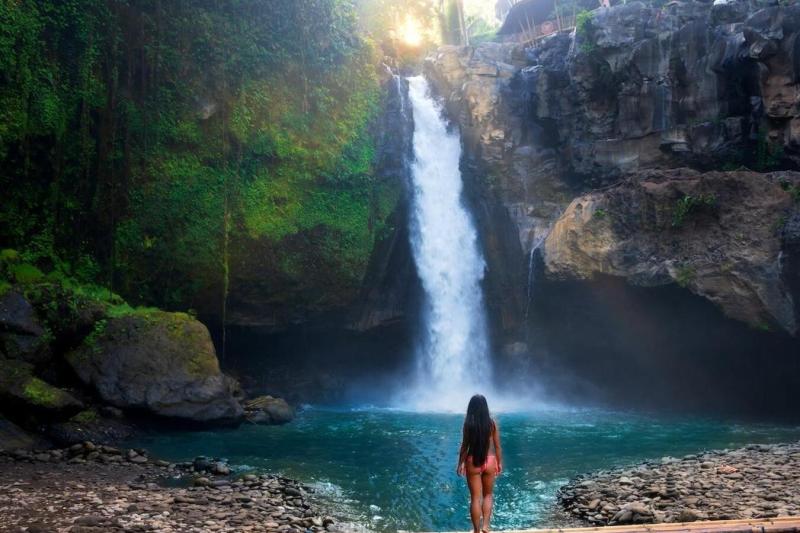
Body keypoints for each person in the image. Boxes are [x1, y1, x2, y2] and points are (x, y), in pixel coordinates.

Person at [456, 394, 503, 533]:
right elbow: (497, 446)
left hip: (472, 462)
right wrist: (499, 462)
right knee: (488, 495)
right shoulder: (492, 424)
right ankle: (486, 526)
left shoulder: (468, 424)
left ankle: (476, 531)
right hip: (489, 460)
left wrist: (460, 463)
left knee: (475, 498)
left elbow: (464, 446)